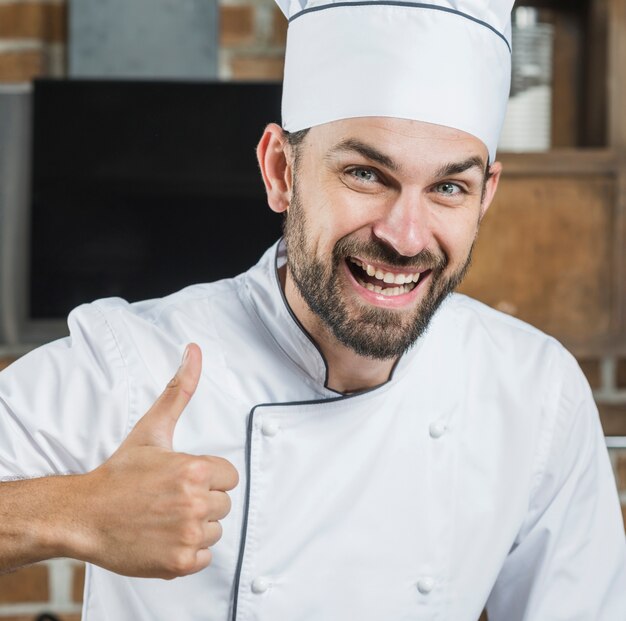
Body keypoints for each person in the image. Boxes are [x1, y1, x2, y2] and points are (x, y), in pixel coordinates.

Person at [1, 0, 625, 619]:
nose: (406, 237)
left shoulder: (535, 391)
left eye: (447, 187)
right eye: (365, 174)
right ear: (281, 171)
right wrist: (78, 512)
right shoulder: (136, 362)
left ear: (485, 196)